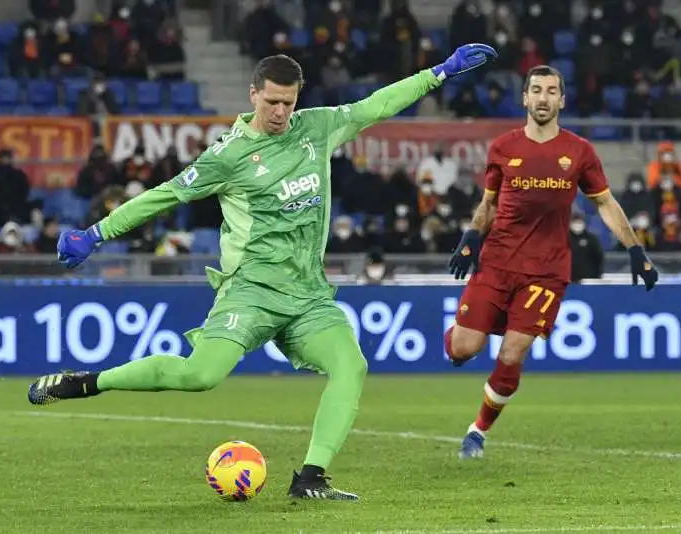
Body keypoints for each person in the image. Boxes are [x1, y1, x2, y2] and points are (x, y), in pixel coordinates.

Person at [26, 45, 498, 499]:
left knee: (350, 365)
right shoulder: (227, 157)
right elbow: (165, 195)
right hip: (250, 293)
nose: (279, 112)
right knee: (199, 377)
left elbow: (377, 105)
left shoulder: (315, 128)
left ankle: (311, 477)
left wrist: (440, 71)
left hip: (309, 296)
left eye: (288, 103)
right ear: (253, 94)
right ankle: (88, 382)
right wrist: (97, 232)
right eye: (272, 101)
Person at [444, 64, 658, 460]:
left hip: (546, 270)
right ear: (525, 98)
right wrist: (471, 237)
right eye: (536, 90)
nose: (543, 98)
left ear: (562, 99)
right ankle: (474, 329)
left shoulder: (579, 151)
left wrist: (635, 249)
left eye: (551, 91)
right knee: (462, 349)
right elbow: (489, 203)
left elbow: (605, 203)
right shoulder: (503, 148)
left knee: (512, 354)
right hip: (497, 262)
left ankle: (477, 431)